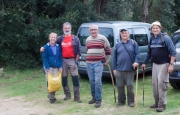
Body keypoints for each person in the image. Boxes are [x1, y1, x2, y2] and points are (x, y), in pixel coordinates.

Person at [41, 22, 82, 103]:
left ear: (70, 29)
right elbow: (51, 44)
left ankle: (77, 97)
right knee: (64, 78)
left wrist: (76, 61)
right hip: (63, 60)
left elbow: (79, 51)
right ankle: (67, 95)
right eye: (65, 28)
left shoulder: (75, 38)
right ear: (63, 29)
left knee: (75, 78)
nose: (67, 29)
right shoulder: (59, 38)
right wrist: (43, 47)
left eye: (68, 28)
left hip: (72, 60)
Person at [141, 21, 176, 112]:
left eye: (157, 28)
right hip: (155, 64)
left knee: (162, 84)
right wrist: (144, 62)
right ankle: (156, 102)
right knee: (155, 85)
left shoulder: (165, 38)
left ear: (160, 28)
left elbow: (173, 52)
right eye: (153, 28)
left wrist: (171, 65)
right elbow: (149, 52)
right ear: (151, 29)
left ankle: (162, 104)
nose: (155, 29)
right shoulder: (152, 39)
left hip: (164, 64)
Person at [112, 29, 140, 107]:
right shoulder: (117, 45)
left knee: (129, 86)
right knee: (120, 86)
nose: (124, 34)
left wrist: (136, 62)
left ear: (129, 34)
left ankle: (131, 102)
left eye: (126, 33)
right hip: (119, 69)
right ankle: (121, 101)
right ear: (120, 35)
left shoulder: (133, 43)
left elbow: (137, 54)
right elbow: (114, 58)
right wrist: (114, 68)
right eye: (122, 33)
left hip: (130, 69)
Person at [86, 24, 111, 108]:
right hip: (89, 63)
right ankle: (94, 98)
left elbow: (108, 49)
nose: (93, 31)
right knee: (92, 81)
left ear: (98, 30)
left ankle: (98, 100)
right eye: (91, 30)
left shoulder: (103, 38)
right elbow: (88, 50)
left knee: (97, 81)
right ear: (89, 31)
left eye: (95, 29)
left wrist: (106, 61)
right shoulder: (88, 39)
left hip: (98, 63)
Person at [42, 32, 63, 104]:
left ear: (56, 39)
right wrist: (47, 68)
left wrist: (60, 66)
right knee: (50, 82)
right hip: (49, 68)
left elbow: (60, 57)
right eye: (52, 37)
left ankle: (51, 95)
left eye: (54, 37)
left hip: (57, 67)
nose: (53, 38)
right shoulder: (45, 47)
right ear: (49, 38)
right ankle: (51, 97)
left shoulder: (58, 47)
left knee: (55, 82)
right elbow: (45, 58)